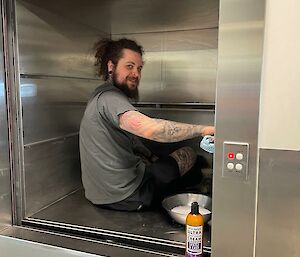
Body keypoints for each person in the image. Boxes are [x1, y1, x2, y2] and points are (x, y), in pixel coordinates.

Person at [79, 38, 215, 211]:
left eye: (139, 68)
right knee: (189, 154)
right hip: (129, 195)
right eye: (129, 66)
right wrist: (205, 129)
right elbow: (152, 129)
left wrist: (151, 156)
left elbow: (130, 139)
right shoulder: (110, 98)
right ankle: (187, 192)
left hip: (100, 194)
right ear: (111, 66)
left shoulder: (100, 95)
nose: (136, 73)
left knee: (162, 162)